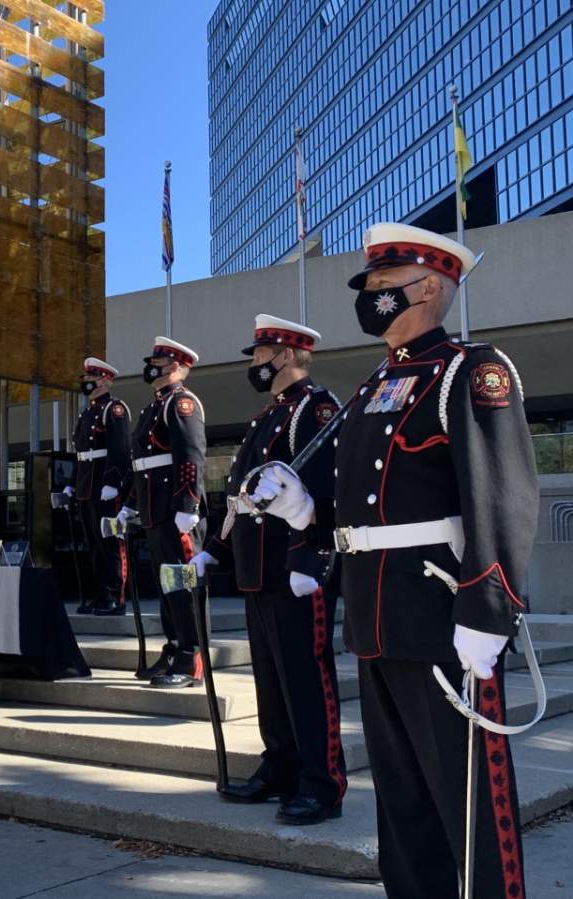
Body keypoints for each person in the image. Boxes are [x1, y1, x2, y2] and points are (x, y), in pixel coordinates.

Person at [253, 223, 537, 896]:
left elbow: (502, 494)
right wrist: (306, 516)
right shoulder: (374, 385)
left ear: (430, 285)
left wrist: (488, 606)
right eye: (371, 288)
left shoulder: (471, 370)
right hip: (377, 618)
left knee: (470, 801)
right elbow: (360, 503)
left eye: (384, 287)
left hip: (442, 615)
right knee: (403, 807)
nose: (372, 299)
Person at [192, 315, 347, 826]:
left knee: (306, 680)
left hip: (294, 569)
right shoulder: (267, 417)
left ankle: (322, 783)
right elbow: (240, 495)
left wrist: (310, 558)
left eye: (260, 355)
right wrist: (215, 546)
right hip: (258, 569)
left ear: (285, 354)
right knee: (272, 681)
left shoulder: (315, 409)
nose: (254, 364)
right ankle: (279, 765)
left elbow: (324, 492)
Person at [118, 338, 206, 688]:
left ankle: (191, 657)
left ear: (175, 366)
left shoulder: (182, 403)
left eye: (158, 360)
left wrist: (188, 504)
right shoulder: (155, 406)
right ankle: (173, 649)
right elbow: (140, 464)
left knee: (184, 587)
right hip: (155, 511)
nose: (151, 365)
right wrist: (130, 502)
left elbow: (191, 455)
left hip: (175, 512)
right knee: (167, 586)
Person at [64, 357, 131, 615]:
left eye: (91, 379)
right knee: (92, 544)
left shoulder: (114, 410)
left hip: (104, 486)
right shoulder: (87, 413)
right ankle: (99, 594)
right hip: (86, 487)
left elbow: (120, 450)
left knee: (111, 543)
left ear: (104, 380)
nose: (86, 383)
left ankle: (116, 596)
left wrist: (113, 483)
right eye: (86, 379)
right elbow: (81, 454)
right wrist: (71, 485)